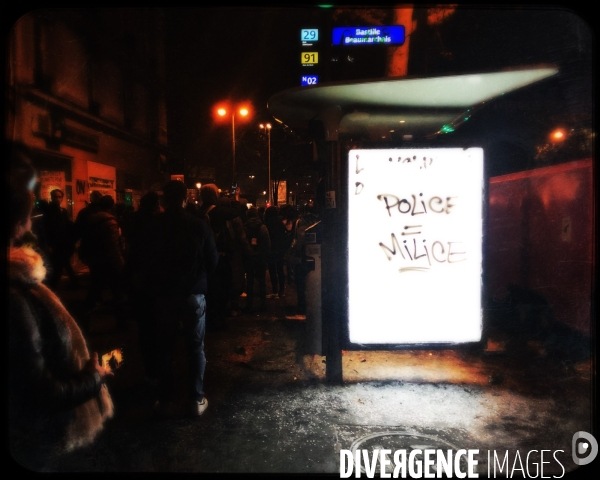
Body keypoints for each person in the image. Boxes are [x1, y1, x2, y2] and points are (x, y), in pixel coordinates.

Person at [7, 141, 114, 471]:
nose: (29, 225)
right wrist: (93, 378)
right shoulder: (14, 296)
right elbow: (40, 390)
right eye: (26, 216)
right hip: (26, 440)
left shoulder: (21, 283)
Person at [144, 180, 218, 416]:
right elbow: (212, 260)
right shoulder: (198, 225)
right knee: (195, 347)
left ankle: (165, 398)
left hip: (164, 293)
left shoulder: (154, 226)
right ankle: (195, 399)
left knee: (164, 346)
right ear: (186, 198)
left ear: (164, 200)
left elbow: (144, 260)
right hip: (193, 293)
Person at [79, 195, 126, 329]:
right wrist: (121, 264)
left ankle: (83, 320)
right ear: (111, 206)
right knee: (117, 293)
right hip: (109, 262)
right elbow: (113, 247)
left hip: (96, 260)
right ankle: (121, 323)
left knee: (94, 291)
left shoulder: (91, 220)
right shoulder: (110, 222)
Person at [43, 188, 78, 289]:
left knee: (63, 263)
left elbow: (66, 225)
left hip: (63, 242)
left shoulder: (63, 211)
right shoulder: (48, 211)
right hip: (54, 243)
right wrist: (48, 244)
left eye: (59, 197)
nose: (58, 199)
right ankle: (52, 287)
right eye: (55, 197)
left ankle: (73, 282)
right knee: (58, 265)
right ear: (52, 197)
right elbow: (46, 229)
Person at [243, 206, 271, 312]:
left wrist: (249, 253)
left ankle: (249, 304)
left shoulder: (245, 227)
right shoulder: (262, 227)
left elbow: (243, 242)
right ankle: (262, 304)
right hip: (260, 257)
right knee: (261, 282)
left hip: (249, 258)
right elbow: (267, 244)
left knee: (249, 281)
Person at [264, 205, 287, 299]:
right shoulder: (280, 224)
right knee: (280, 270)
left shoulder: (267, 224)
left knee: (272, 270)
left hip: (271, 249)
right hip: (280, 250)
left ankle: (275, 291)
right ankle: (282, 291)